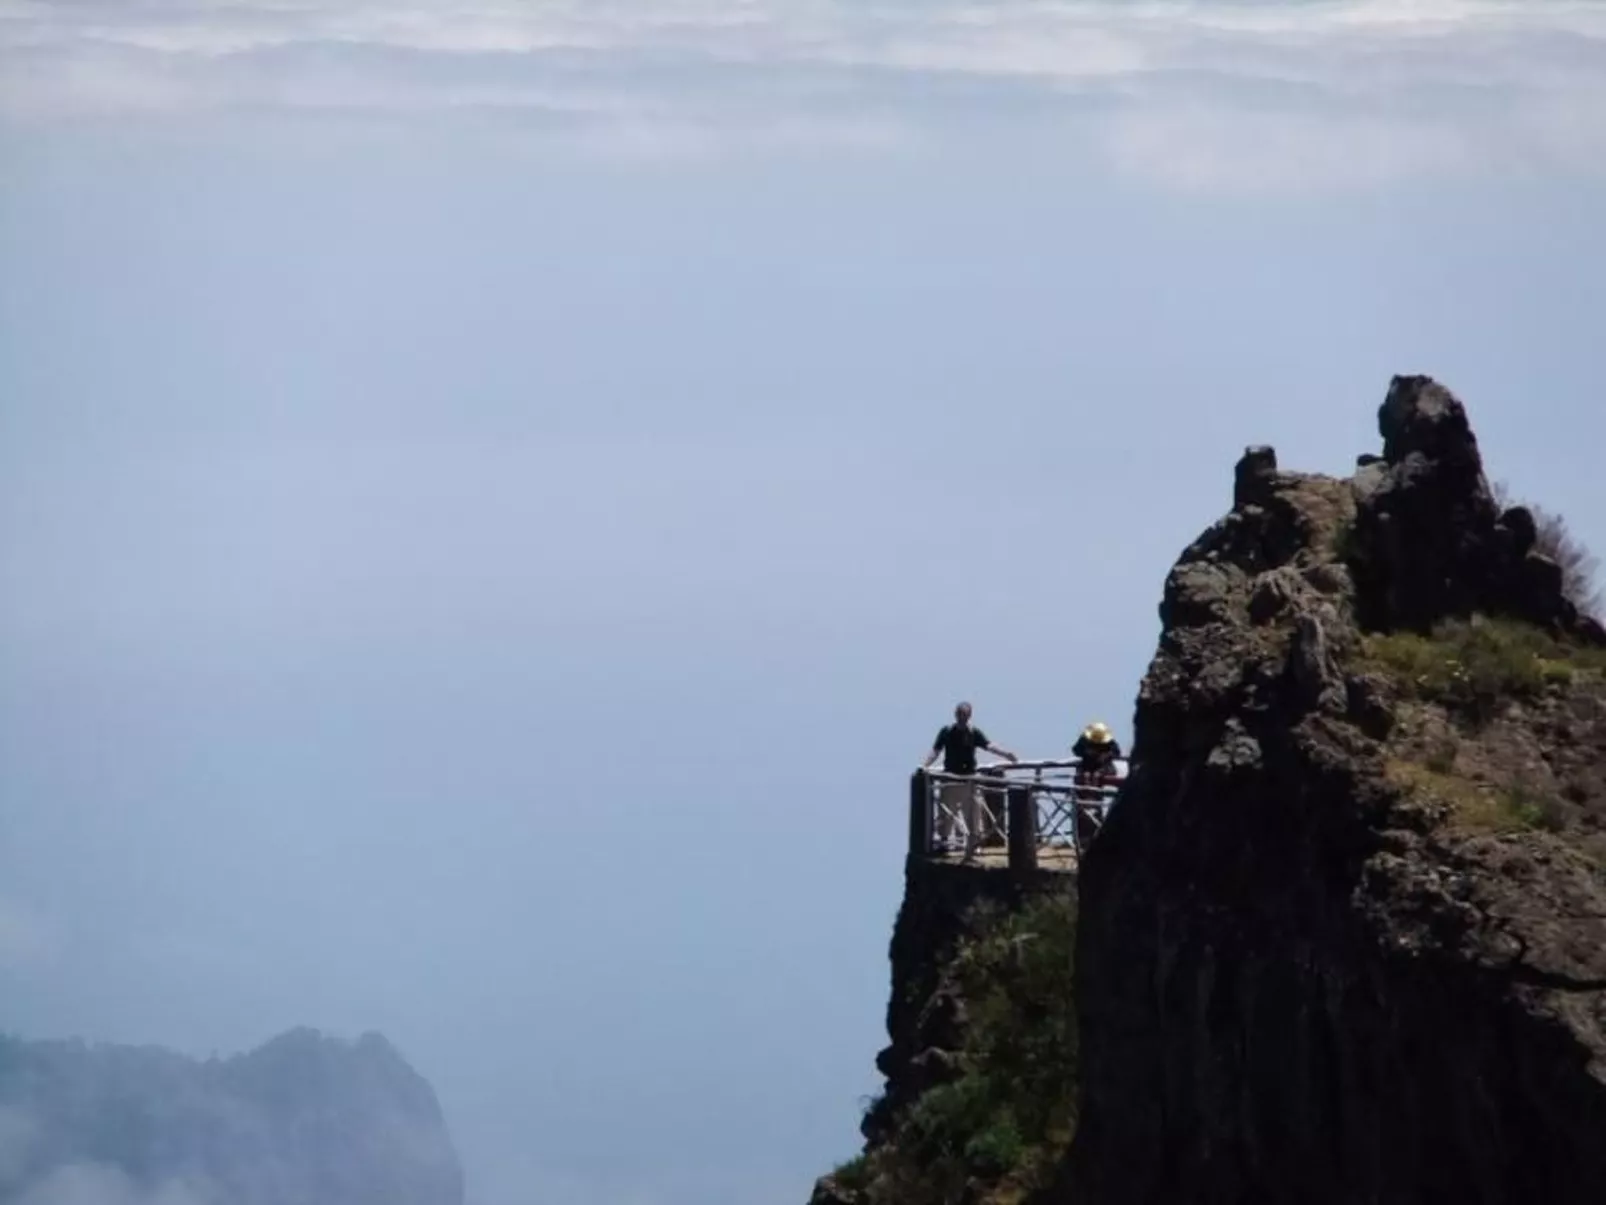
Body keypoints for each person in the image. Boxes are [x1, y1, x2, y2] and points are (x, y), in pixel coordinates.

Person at [923, 702, 1018, 858]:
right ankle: (944, 842)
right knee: (946, 813)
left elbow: (989, 745)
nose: (962, 717)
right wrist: (925, 765)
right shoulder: (946, 732)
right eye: (960, 714)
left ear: (969, 716)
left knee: (973, 814)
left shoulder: (973, 733)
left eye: (964, 715)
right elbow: (936, 750)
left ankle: (974, 845)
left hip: (970, 779)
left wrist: (1007, 754)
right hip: (950, 778)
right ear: (956, 715)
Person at [1071, 721, 1123, 846]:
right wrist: (1088, 753)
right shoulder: (1084, 740)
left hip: (1103, 769)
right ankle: (1083, 836)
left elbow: (1116, 752)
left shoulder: (1110, 742)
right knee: (1083, 801)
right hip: (1086, 769)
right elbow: (1076, 750)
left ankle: (1099, 831)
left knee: (1099, 799)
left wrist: (1105, 755)